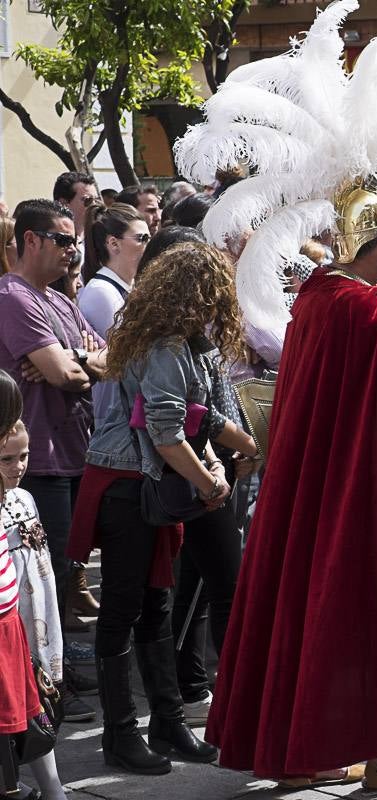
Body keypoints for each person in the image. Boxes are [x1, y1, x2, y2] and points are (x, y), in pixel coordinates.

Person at [173, 10, 377, 791]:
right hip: (369, 491)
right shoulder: (366, 305)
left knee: (313, 608)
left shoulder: (316, 297)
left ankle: (304, 749)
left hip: (314, 491)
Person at [66, 243, 251, 775]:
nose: (220, 305)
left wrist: (212, 468)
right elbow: (169, 433)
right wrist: (211, 483)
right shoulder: (165, 345)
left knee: (156, 606)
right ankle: (123, 735)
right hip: (128, 487)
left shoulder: (178, 342)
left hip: (144, 485)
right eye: (214, 293)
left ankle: (165, 725)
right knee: (125, 609)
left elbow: (196, 421)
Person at [0, 200, 107, 638]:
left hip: (74, 450)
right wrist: (76, 366)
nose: (72, 251)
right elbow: (62, 375)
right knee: (45, 575)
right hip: (37, 461)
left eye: (74, 242)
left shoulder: (62, 300)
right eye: (63, 240)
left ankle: (56, 669)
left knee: (64, 568)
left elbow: (113, 357)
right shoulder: (12, 297)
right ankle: (46, 680)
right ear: (30, 240)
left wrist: (77, 357)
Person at [1, 420, 68, 800]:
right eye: (7, 459)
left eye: (23, 456)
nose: (18, 465)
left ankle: (51, 787)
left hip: (38, 616)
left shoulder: (25, 498)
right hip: (11, 625)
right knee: (14, 710)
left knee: (40, 706)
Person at [76, 203, 149, 425]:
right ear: (113, 243)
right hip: (115, 417)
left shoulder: (131, 286)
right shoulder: (101, 292)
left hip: (134, 410)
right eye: (141, 238)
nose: (149, 244)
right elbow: (128, 356)